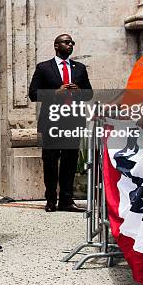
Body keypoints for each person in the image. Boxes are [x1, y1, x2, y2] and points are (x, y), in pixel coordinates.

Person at [28, 33, 92, 212]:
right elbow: (33, 94)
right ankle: (50, 200)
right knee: (50, 161)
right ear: (56, 46)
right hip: (52, 122)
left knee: (70, 162)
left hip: (73, 121)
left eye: (72, 42)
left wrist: (79, 90)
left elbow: (89, 94)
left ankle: (66, 201)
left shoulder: (79, 68)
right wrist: (56, 92)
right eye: (66, 42)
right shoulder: (43, 68)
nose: (70, 45)